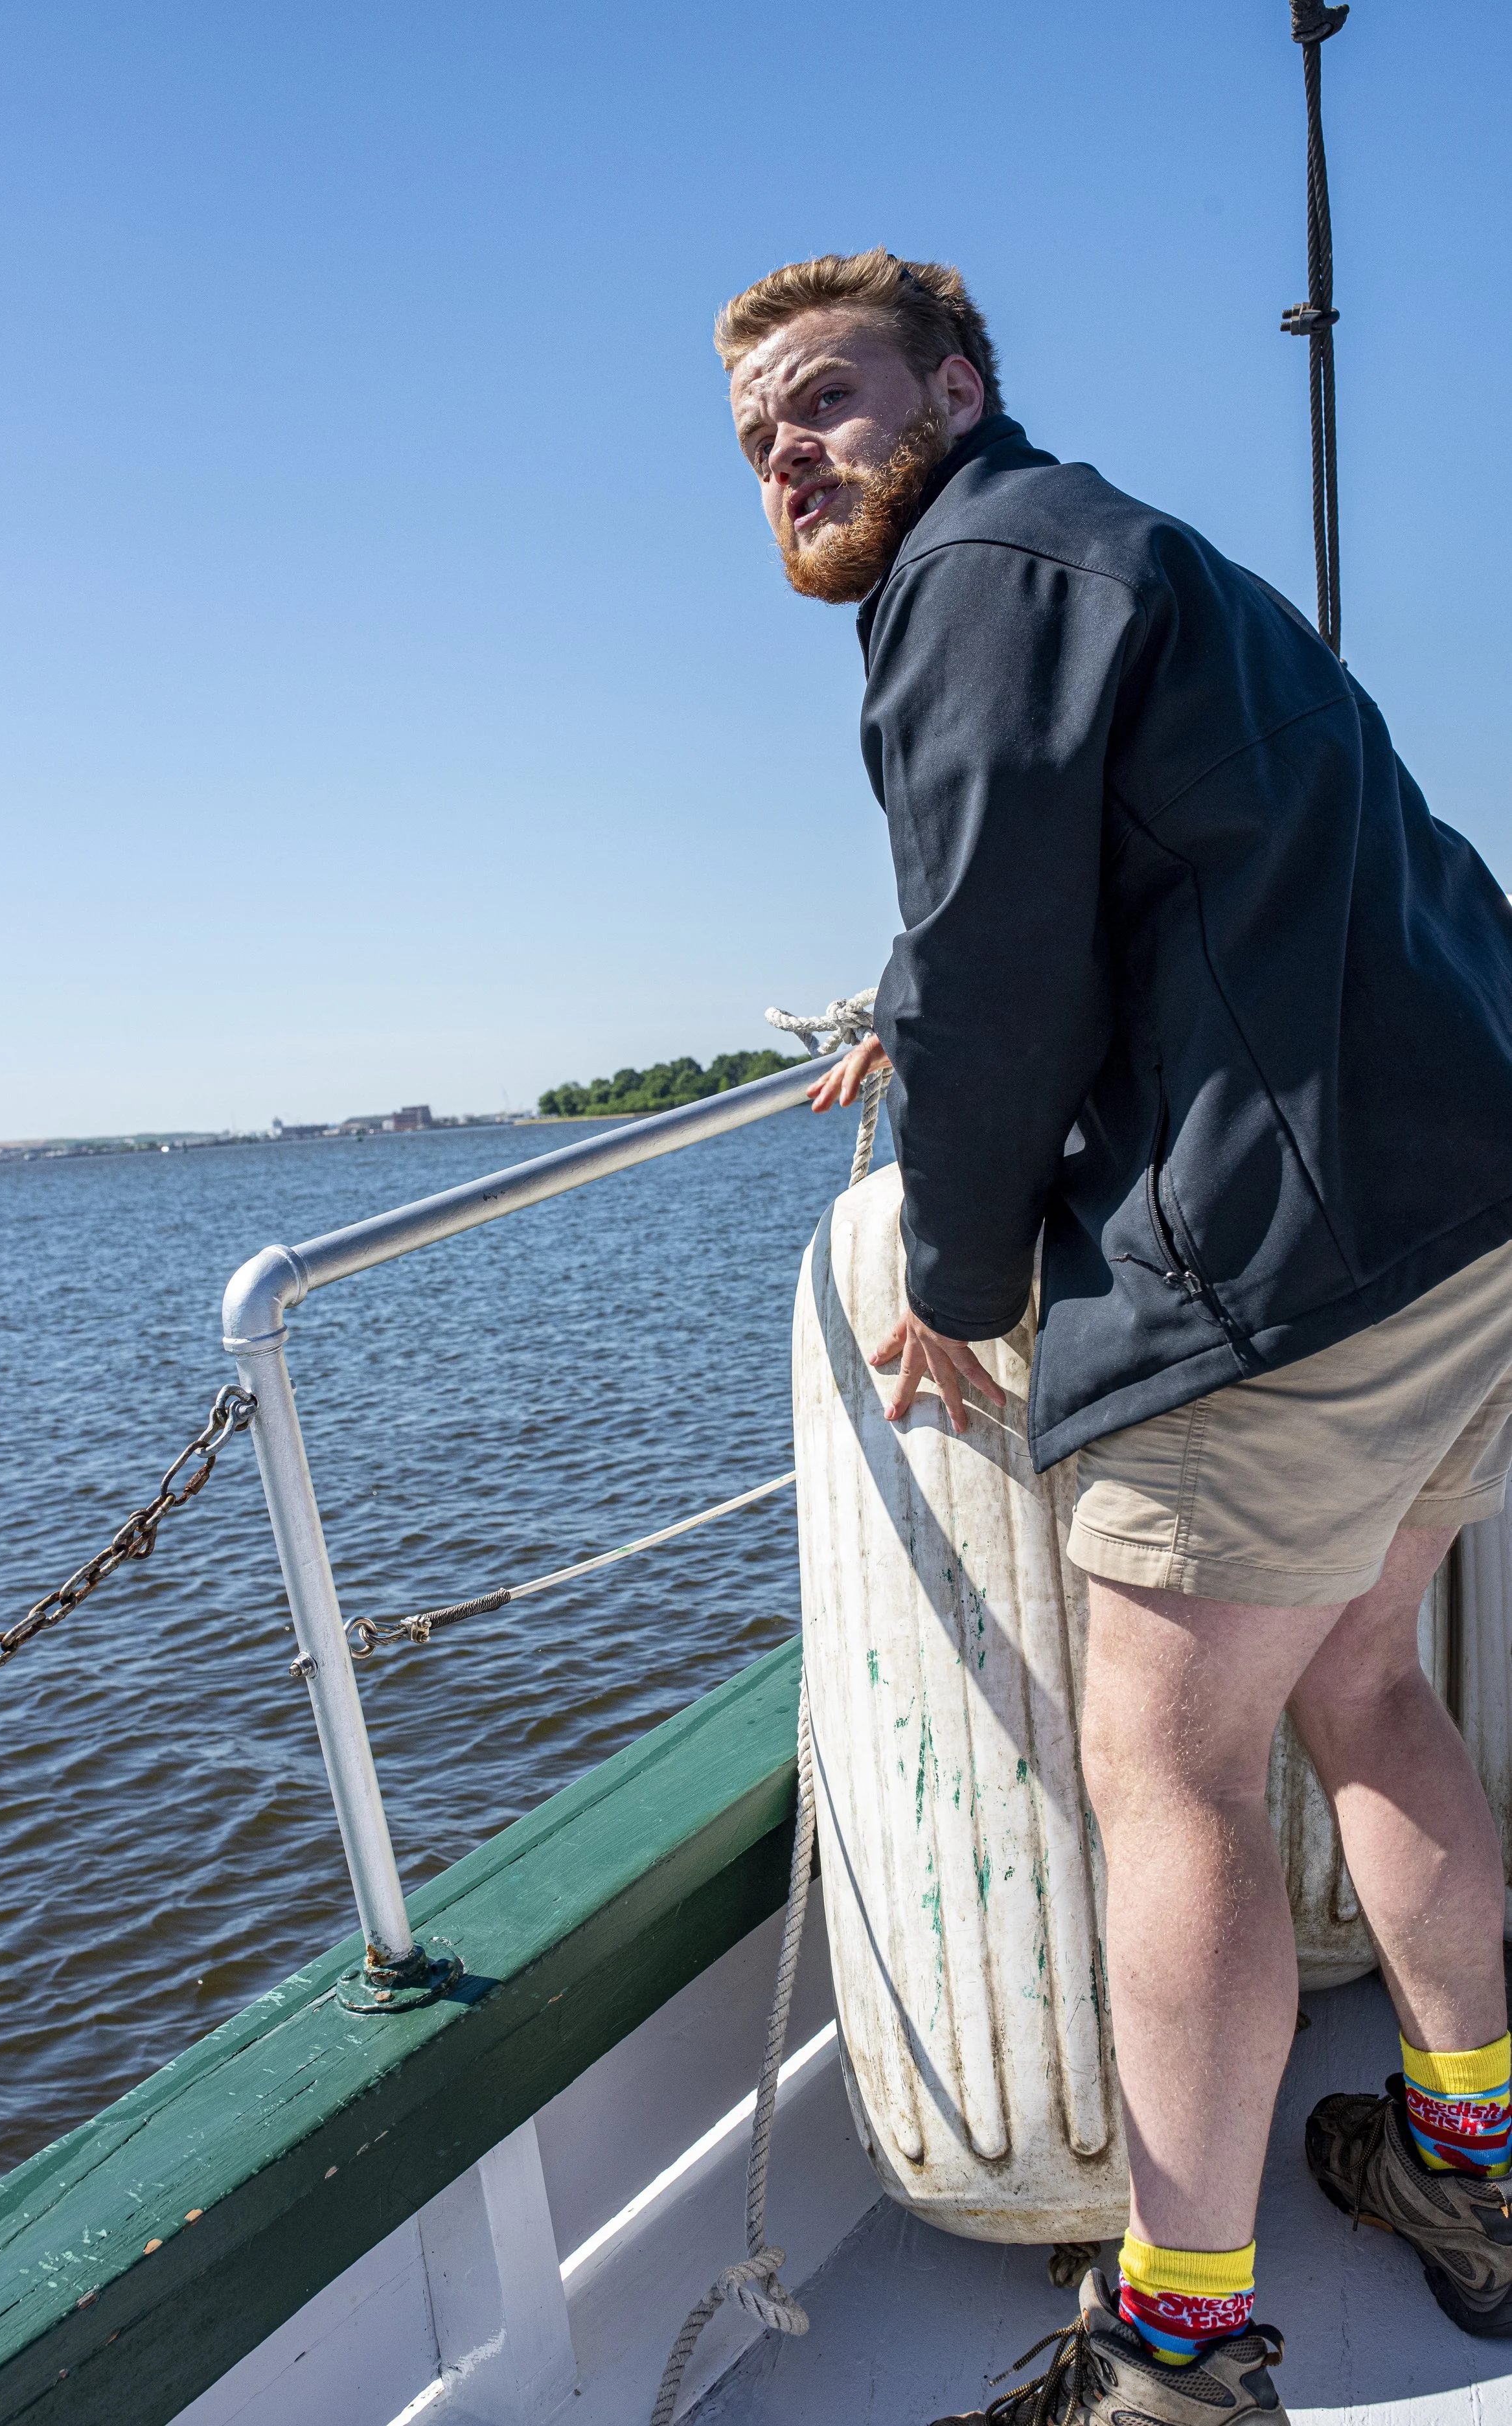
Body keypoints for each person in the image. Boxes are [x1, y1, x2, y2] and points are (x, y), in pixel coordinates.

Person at [718, 246, 1512, 2424]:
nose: (789, 450)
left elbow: (994, 967)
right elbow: (1098, 867)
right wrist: (913, 1003)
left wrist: (959, 1291)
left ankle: (1170, 2351)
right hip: (1458, 1216)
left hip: (1282, 1265)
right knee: (1362, 1679)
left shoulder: (966, 577)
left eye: (826, 394)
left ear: (954, 383)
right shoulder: (1111, 550)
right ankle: (1476, 2167)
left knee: (1163, 1775)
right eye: (757, 436)